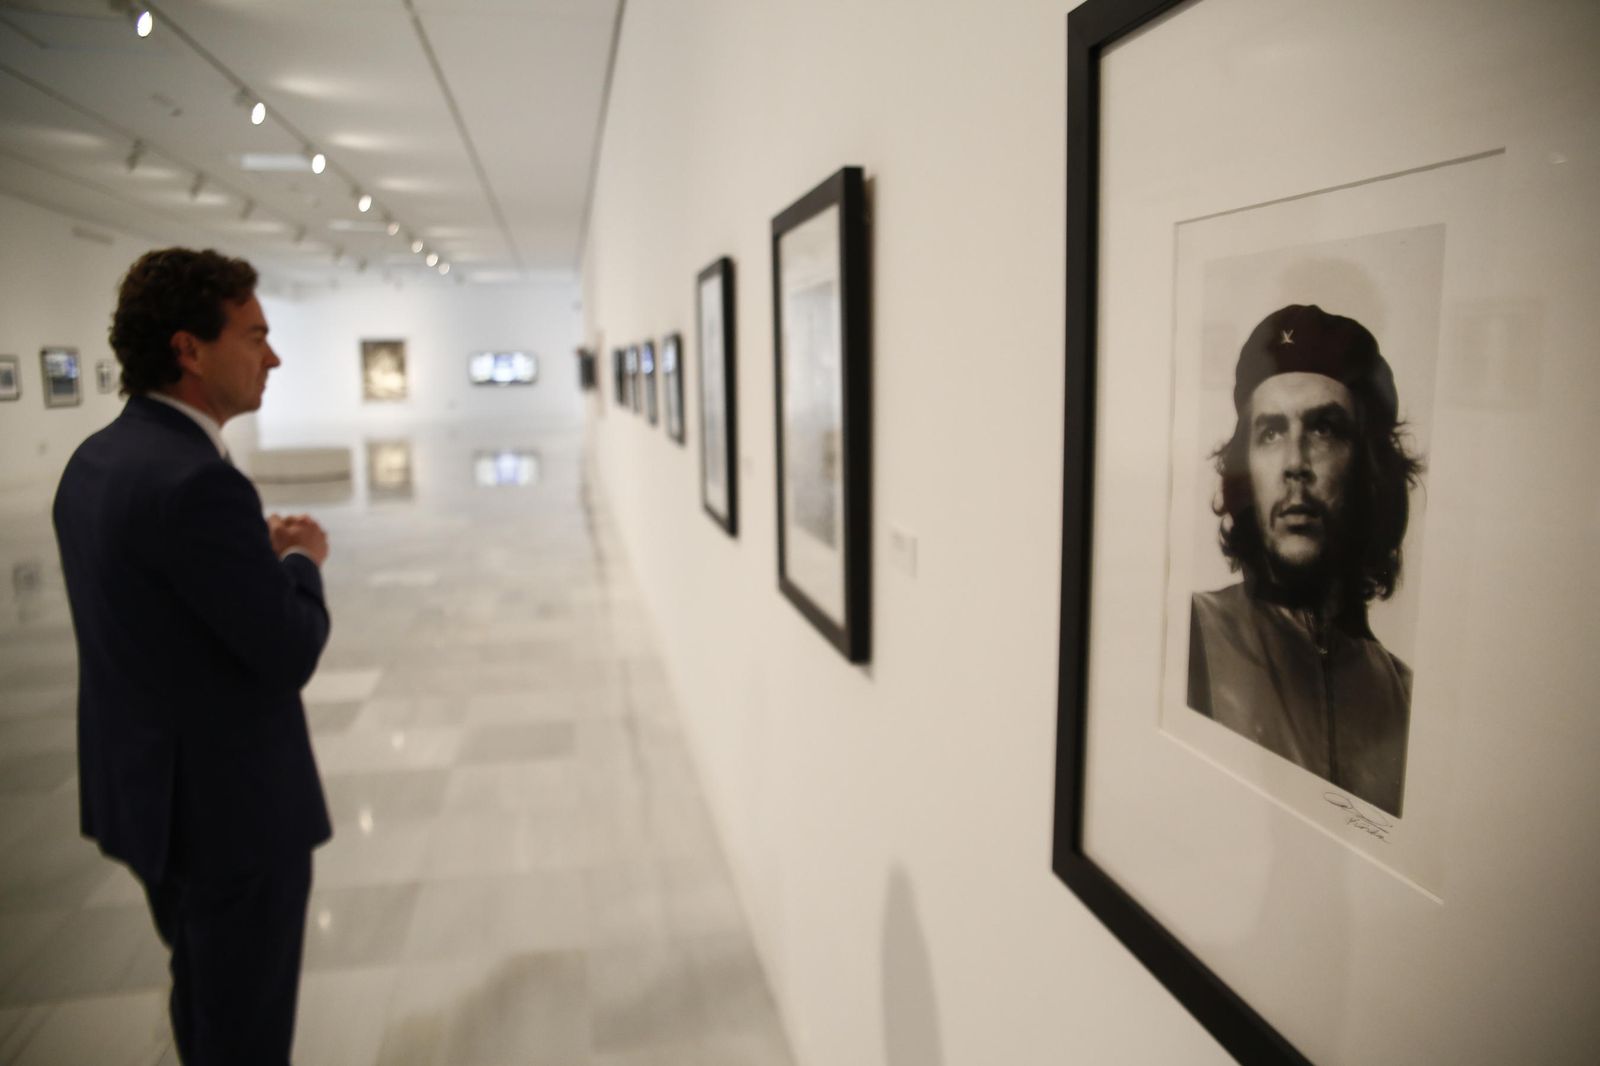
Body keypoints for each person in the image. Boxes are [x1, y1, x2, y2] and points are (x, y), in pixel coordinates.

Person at [52, 248, 333, 1064]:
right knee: (243, 1025)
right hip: (229, 818)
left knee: (204, 997)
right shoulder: (197, 482)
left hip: (147, 800)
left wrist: (249, 555)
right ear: (189, 349)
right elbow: (285, 652)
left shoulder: (96, 462)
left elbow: (160, 612)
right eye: (255, 335)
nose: (272, 356)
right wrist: (300, 563)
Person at [1187, 304, 1423, 817]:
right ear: (1243, 468)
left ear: (1368, 468)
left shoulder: (1407, 700)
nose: (1295, 464)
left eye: (1324, 430)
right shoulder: (1192, 639)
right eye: (1270, 432)